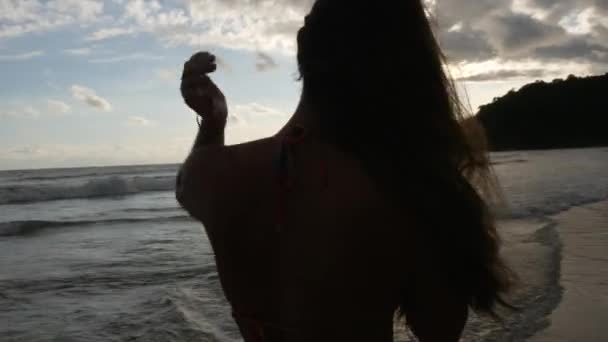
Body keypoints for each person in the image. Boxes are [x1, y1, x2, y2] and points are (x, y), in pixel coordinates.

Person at [176, 0, 514, 341]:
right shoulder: (415, 191)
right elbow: (439, 329)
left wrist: (213, 121)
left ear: (304, 43)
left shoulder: (212, 175)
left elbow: (189, 186)